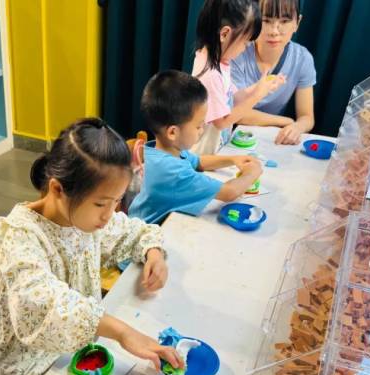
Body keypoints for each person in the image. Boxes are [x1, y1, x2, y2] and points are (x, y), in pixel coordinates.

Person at [0, 118, 183, 375]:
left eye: (117, 202)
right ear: (58, 189)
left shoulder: (85, 219)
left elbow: (132, 231)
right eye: (101, 203)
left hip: (81, 345)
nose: (110, 214)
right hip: (30, 367)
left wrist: (153, 252)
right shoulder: (21, 236)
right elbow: (43, 304)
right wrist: (122, 332)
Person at [128, 70, 263, 225]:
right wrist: (252, 173)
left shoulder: (164, 150)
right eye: (198, 125)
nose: (202, 129)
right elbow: (229, 192)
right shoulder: (172, 171)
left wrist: (233, 159)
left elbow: (199, 161)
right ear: (172, 132)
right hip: (146, 234)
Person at [191, 0, 285, 155]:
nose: (245, 48)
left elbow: (231, 98)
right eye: (245, 43)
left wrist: (259, 87)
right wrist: (257, 95)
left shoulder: (220, 62)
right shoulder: (210, 74)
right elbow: (222, 122)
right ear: (224, 34)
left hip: (215, 151)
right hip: (202, 156)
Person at [231, 0, 316, 144]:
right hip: (232, 137)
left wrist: (297, 127)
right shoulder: (236, 52)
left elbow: (307, 117)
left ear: (297, 23)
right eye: (266, 20)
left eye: (284, 21)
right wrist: (286, 121)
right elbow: (235, 113)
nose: (274, 31)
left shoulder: (302, 58)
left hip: (271, 139)